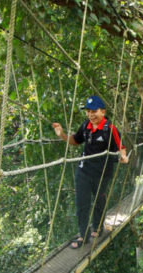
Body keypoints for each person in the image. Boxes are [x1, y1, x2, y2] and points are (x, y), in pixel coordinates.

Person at [52, 95, 129, 249]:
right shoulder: (86, 125)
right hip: (84, 170)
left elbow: (121, 148)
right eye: (88, 111)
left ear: (103, 111)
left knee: (99, 200)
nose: (90, 115)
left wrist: (123, 157)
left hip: (102, 172)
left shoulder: (110, 128)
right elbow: (75, 140)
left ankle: (98, 227)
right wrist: (61, 134)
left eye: (94, 111)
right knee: (82, 202)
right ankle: (83, 235)